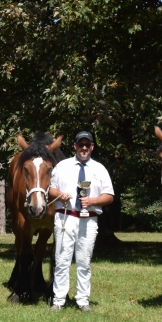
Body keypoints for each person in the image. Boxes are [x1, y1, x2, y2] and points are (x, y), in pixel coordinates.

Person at [48, 131, 114, 312]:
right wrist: (60, 194)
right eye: (80, 144)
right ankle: (58, 301)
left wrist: (93, 201)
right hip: (65, 217)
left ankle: (83, 301)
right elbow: (50, 190)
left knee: (84, 262)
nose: (84, 148)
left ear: (92, 147)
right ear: (75, 146)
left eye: (87, 144)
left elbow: (109, 196)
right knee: (62, 260)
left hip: (89, 219)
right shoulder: (62, 166)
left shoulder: (99, 169)